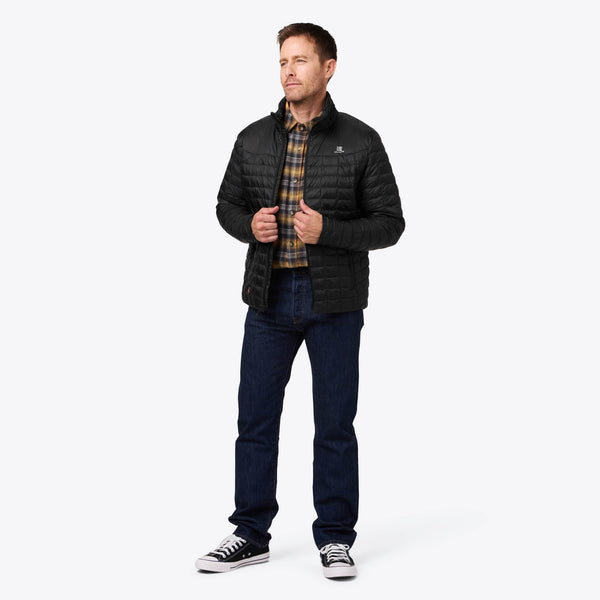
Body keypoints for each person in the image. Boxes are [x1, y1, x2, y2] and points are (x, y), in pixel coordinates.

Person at [195, 22, 405, 579]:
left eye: (301, 60)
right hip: (267, 298)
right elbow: (225, 205)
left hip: (334, 302)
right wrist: (249, 225)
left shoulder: (360, 140)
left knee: (334, 424)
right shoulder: (253, 138)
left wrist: (327, 230)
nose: (289, 71)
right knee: (255, 420)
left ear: (328, 68)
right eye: (283, 61)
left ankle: (335, 538)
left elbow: (390, 224)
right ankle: (250, 533)